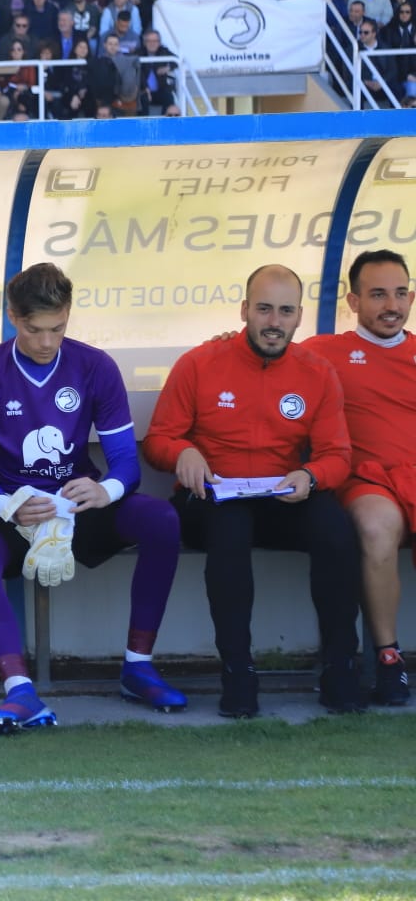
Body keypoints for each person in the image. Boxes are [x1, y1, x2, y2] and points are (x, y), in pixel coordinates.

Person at [0, 263, 185, 735]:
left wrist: (104, 491)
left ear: (68, 315)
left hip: (77, 507)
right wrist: (8, 505)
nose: (45, 342)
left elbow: (127, 465)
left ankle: (137, 667)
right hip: (13, 510)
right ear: (12, 316)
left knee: (162, 519)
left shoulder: (95, 366)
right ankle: (20, 690)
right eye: (34, 329)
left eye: (57, 328)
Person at [144, 265, 361, 717]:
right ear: (245, 311)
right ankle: (238, 672)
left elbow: (338, 455)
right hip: (214, 499)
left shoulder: (317, 372)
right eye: (263, 309)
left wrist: (311, 476)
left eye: (284, 311)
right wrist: (182, 453)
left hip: (282, 496)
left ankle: (340, 668)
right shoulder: (200, 363)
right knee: (230, 526)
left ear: (299, 316)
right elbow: (158, 440)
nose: (273, 321)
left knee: (336, 529)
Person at [299, 250, 414, 706]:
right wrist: (229, 340)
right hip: (365, 479)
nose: (392, 305)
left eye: (401, 293)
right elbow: (260, 355)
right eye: (379, 294)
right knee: (375, 524)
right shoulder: (323, 352)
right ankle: (388, 656)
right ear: (353, 301)